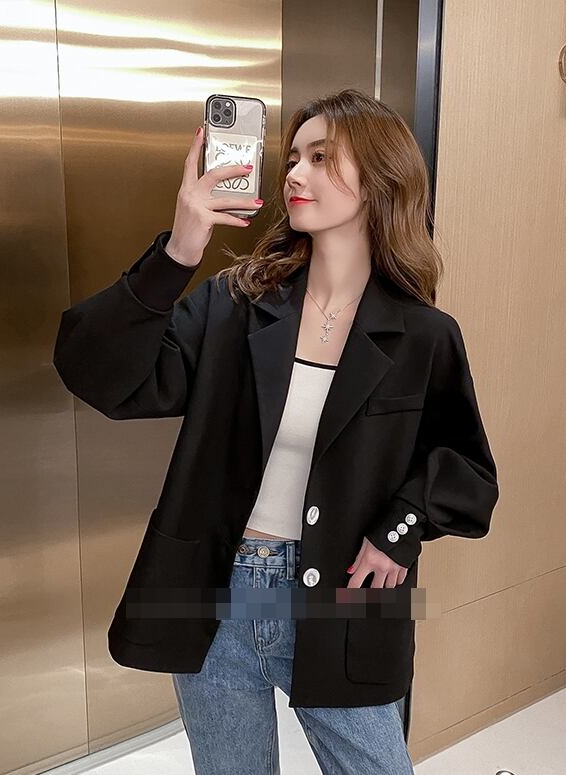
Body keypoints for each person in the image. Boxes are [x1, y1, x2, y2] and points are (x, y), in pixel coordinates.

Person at [53, 88, 499, 774]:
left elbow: (468, 470)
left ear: (381, 177)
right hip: (217, 586)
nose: (294, 172)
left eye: (321, 157)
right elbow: (100, 375)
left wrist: (400, 527)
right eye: (292, 157)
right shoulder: (236, 303)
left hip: (345, 595)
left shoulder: (423, 334)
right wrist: (179, 250)